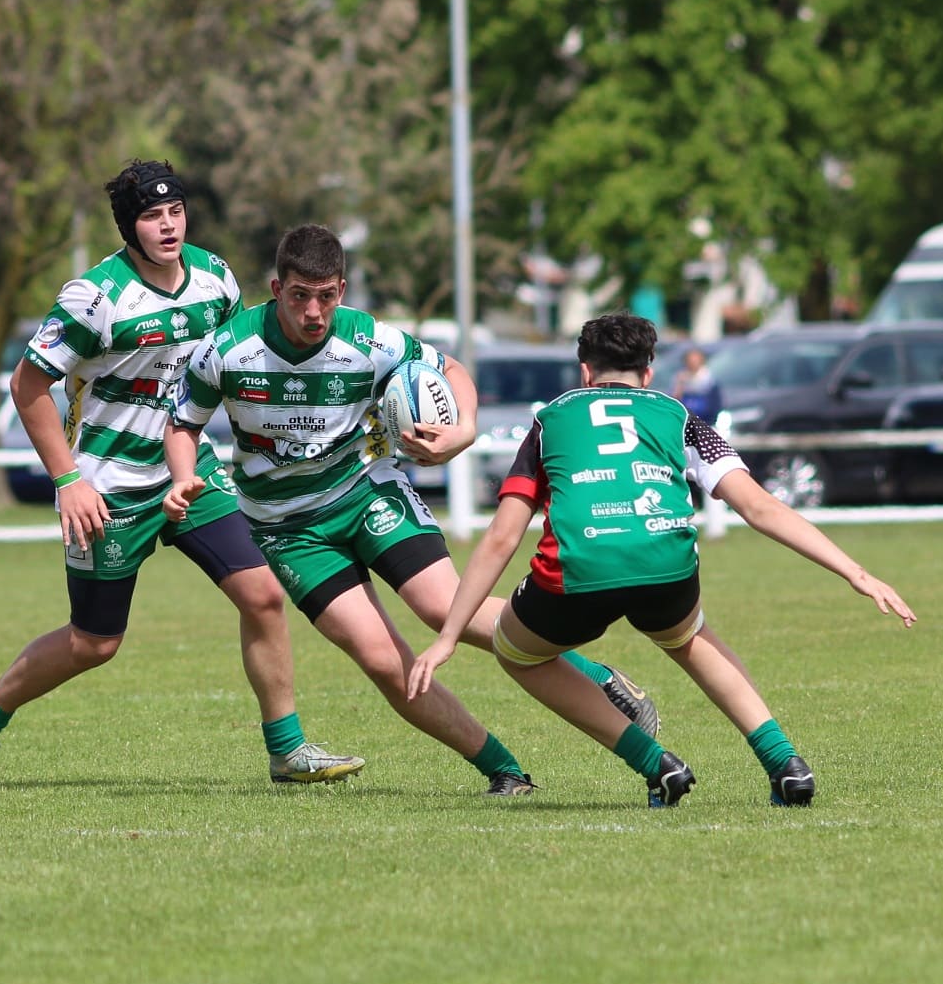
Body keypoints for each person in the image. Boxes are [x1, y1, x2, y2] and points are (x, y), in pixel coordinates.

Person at [165, 224, 661, 795]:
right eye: (300, 295)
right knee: (381, 661)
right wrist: (182, 477)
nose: (313, 311)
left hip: (366, 491)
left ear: (343, 290)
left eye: (327, 296)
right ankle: (504, 770)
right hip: (287, 527)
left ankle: (600, 680)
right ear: (276, 288)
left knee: (444, 607)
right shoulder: (227, 350)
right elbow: (184, 423)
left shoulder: (369, 339)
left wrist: (463, 431)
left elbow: (451, 371)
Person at [0, 160, 362, 789]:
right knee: (95, 642)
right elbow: (27, 387)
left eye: (175, 212)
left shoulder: (215, 278)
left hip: (191, 476)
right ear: (127, 226)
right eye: (150, 216)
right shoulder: (93, 298)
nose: (167, 226)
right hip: (108, 489)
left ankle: (287, 749)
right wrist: (67, 482)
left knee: (264, 595)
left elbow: (230, 368)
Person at [411, 313, 916, 806]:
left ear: (584, 371)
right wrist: (856, 572)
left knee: (516, 651)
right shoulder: (679, 418)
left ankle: (657, 764)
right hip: (668, 567)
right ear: (648, 371)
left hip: (579, 571)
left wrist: (449, 636)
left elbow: (502, 537)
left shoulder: (552, 420)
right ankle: (786, 764)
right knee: (688, 637)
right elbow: (760, 507)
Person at [671, 346, 722, 422]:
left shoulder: (709, 380)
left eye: (695, 360)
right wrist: (680, 385)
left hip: (705, 421)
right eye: (690, 360)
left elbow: (715, 405)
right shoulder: (680, 378)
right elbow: (675, 401)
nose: (692, 363)